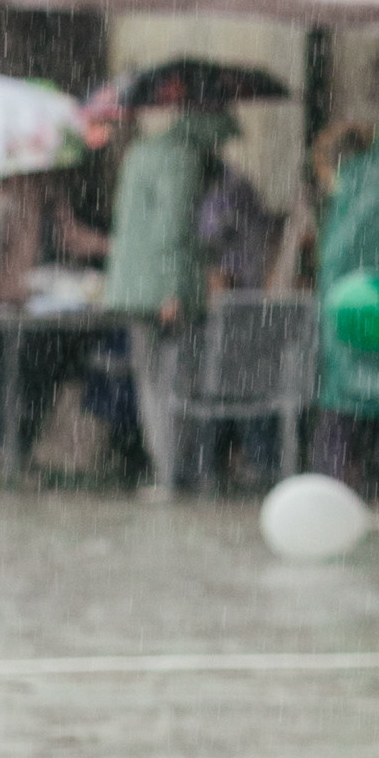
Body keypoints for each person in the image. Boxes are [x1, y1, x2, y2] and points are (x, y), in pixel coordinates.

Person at [106, 105, 232, 492]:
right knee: (174, 383)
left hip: (135, 285)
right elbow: (172, 229)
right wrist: (174, 289)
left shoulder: (143, 152)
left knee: (152, 380)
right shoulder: (182, 159)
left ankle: (168, 468)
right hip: (165, 289)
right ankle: (174, 471)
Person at [310, 116, 379, 498]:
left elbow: (336, 258)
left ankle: (337, 486)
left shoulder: (357, 186)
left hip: (353, 309)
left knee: (342, 412)